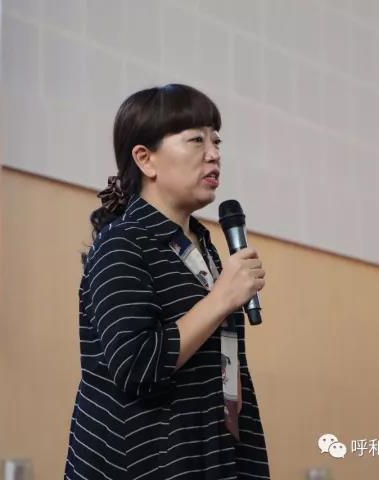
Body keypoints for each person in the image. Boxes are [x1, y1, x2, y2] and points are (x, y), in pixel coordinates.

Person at [65, 84, 270, 479]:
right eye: (196, 140)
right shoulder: (122, 244)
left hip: (212, 458)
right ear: (146, 159)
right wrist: (220, 299)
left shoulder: (203, 249)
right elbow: (136, 365)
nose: (214, 154)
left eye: (216, 140)